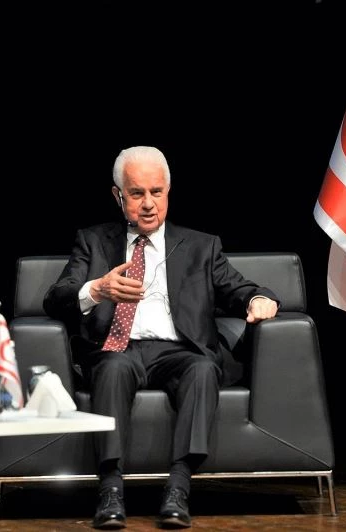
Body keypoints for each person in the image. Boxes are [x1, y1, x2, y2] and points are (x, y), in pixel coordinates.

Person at [43, 146, 279, 529]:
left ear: (168, 191)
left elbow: (237, 288)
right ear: (118, 195)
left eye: (157, 192)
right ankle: (110, 491)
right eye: (137, 194)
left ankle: (178, 489)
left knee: (203, 369)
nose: (149, 204)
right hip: (117, 348)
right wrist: (97, 289)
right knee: (112, 369)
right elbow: (56, 297)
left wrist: (259, 299)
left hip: (179, 352)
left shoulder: (202, 246)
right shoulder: (93, 241)